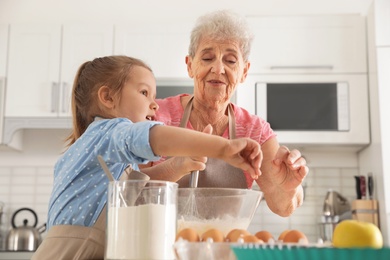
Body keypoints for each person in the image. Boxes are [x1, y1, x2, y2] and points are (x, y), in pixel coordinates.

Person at [32, 55, 262, 260]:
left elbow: (137, 188)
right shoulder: (111, 130)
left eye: (154, 95)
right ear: (108, 97)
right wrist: (223, 148)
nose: (154, 103)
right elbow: (154, 136)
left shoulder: (101, 148)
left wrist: (179, 165)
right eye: (144, 93)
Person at [141, 9, 309, 218]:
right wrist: (175, 166)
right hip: (158, 246)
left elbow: (283, 205)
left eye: (230, 61)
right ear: (190, 65)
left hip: (223, 246)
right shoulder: (155, 115)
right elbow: (129, 190)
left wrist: (289, 187)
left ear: (244, 72)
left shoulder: (254, 131)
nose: (218, 69)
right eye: (207, 58)